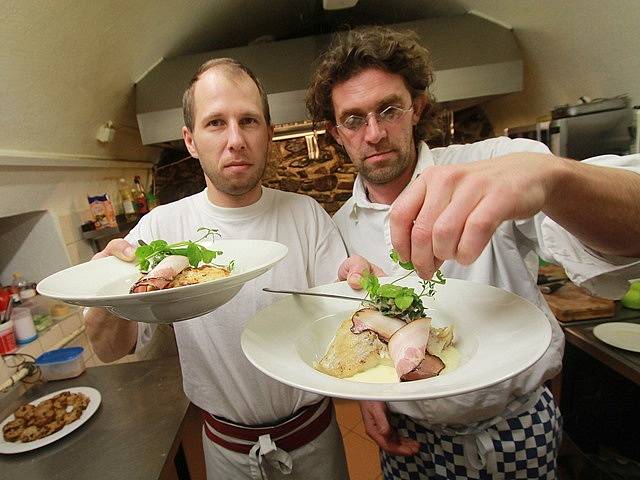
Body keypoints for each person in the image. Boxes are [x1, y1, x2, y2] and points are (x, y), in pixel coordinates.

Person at [306, 26, 640, 479]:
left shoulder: (492, 165)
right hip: (412, 437)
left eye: (389, 109)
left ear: (416, 108)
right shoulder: (338, 227)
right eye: (354, 118)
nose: (375, 132)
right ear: (336, 131)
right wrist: (371, 393)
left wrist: (552, 179)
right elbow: (362, 325)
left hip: (516, 427)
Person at [85, 58, 350, 480]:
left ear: (269, 131)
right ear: (190, 140)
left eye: (249, 120)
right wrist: (102, 291)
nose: (235, 140)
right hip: (227, 453)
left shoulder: (307, 215)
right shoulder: (160, 228)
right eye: (215, 123)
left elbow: (345, 315)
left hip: (314, 439)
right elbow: (110, 349)